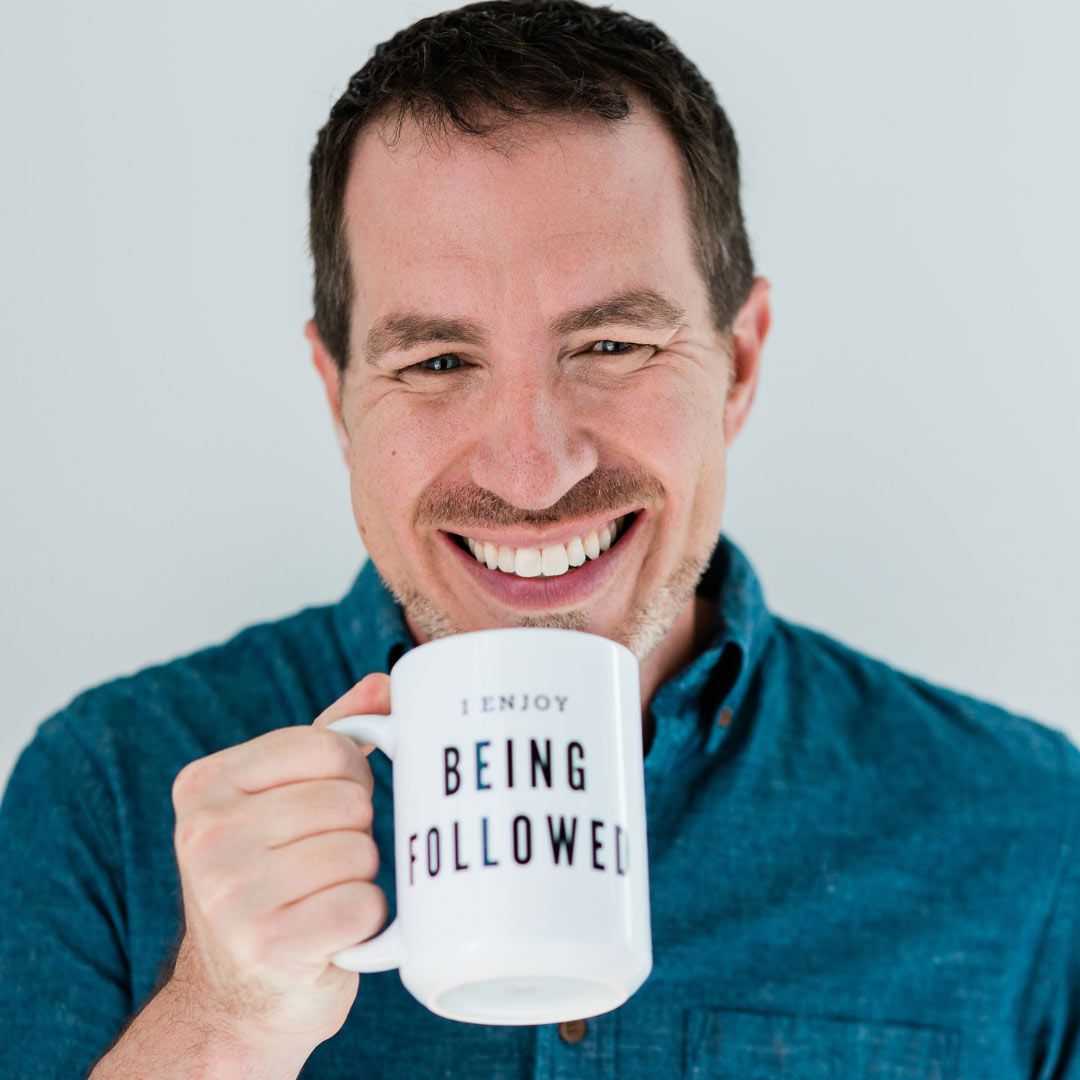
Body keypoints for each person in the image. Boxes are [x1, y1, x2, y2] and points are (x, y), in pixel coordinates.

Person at [1, 1, 1076, 1076]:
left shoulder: (1031, 836)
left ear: (739, 365)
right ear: (339, 399)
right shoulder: (110, 789)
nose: (532, 473)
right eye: (436, 363)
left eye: (611, 344)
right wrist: (222, 1022)